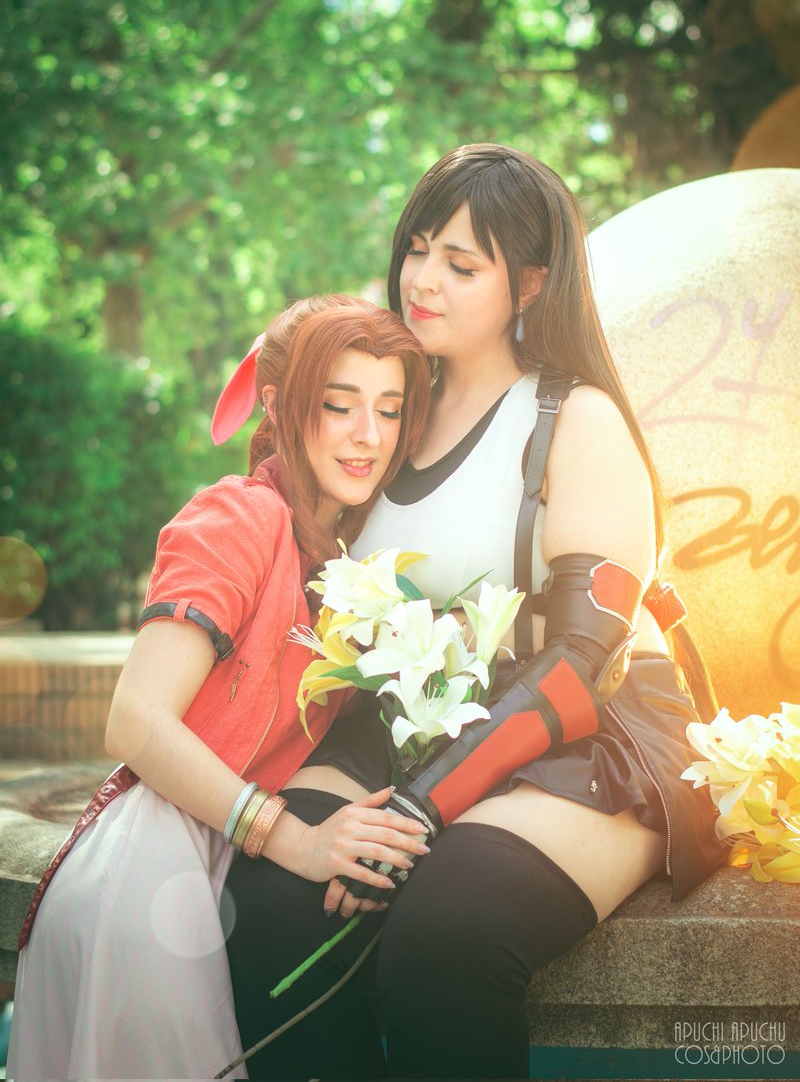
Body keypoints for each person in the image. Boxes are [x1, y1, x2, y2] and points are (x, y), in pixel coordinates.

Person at [224, 145, 726, 1081]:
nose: (423, 281)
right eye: (417, 251)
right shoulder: (385, 409)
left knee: (447, 932)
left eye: (461, 265)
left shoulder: (574, 419)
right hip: (404, 722)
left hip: (586, 738)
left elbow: (586, 659)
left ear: (529, 282)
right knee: (270, 904)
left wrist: (423, 808)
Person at [6, 294, 433, 1081]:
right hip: (155, 872)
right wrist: (292, 837)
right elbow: (135, 721)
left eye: (389, 409)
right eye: (338, 405)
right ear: (277, 406)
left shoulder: (347, 557)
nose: (368, 435)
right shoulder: (238, 516)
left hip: (221, 866)